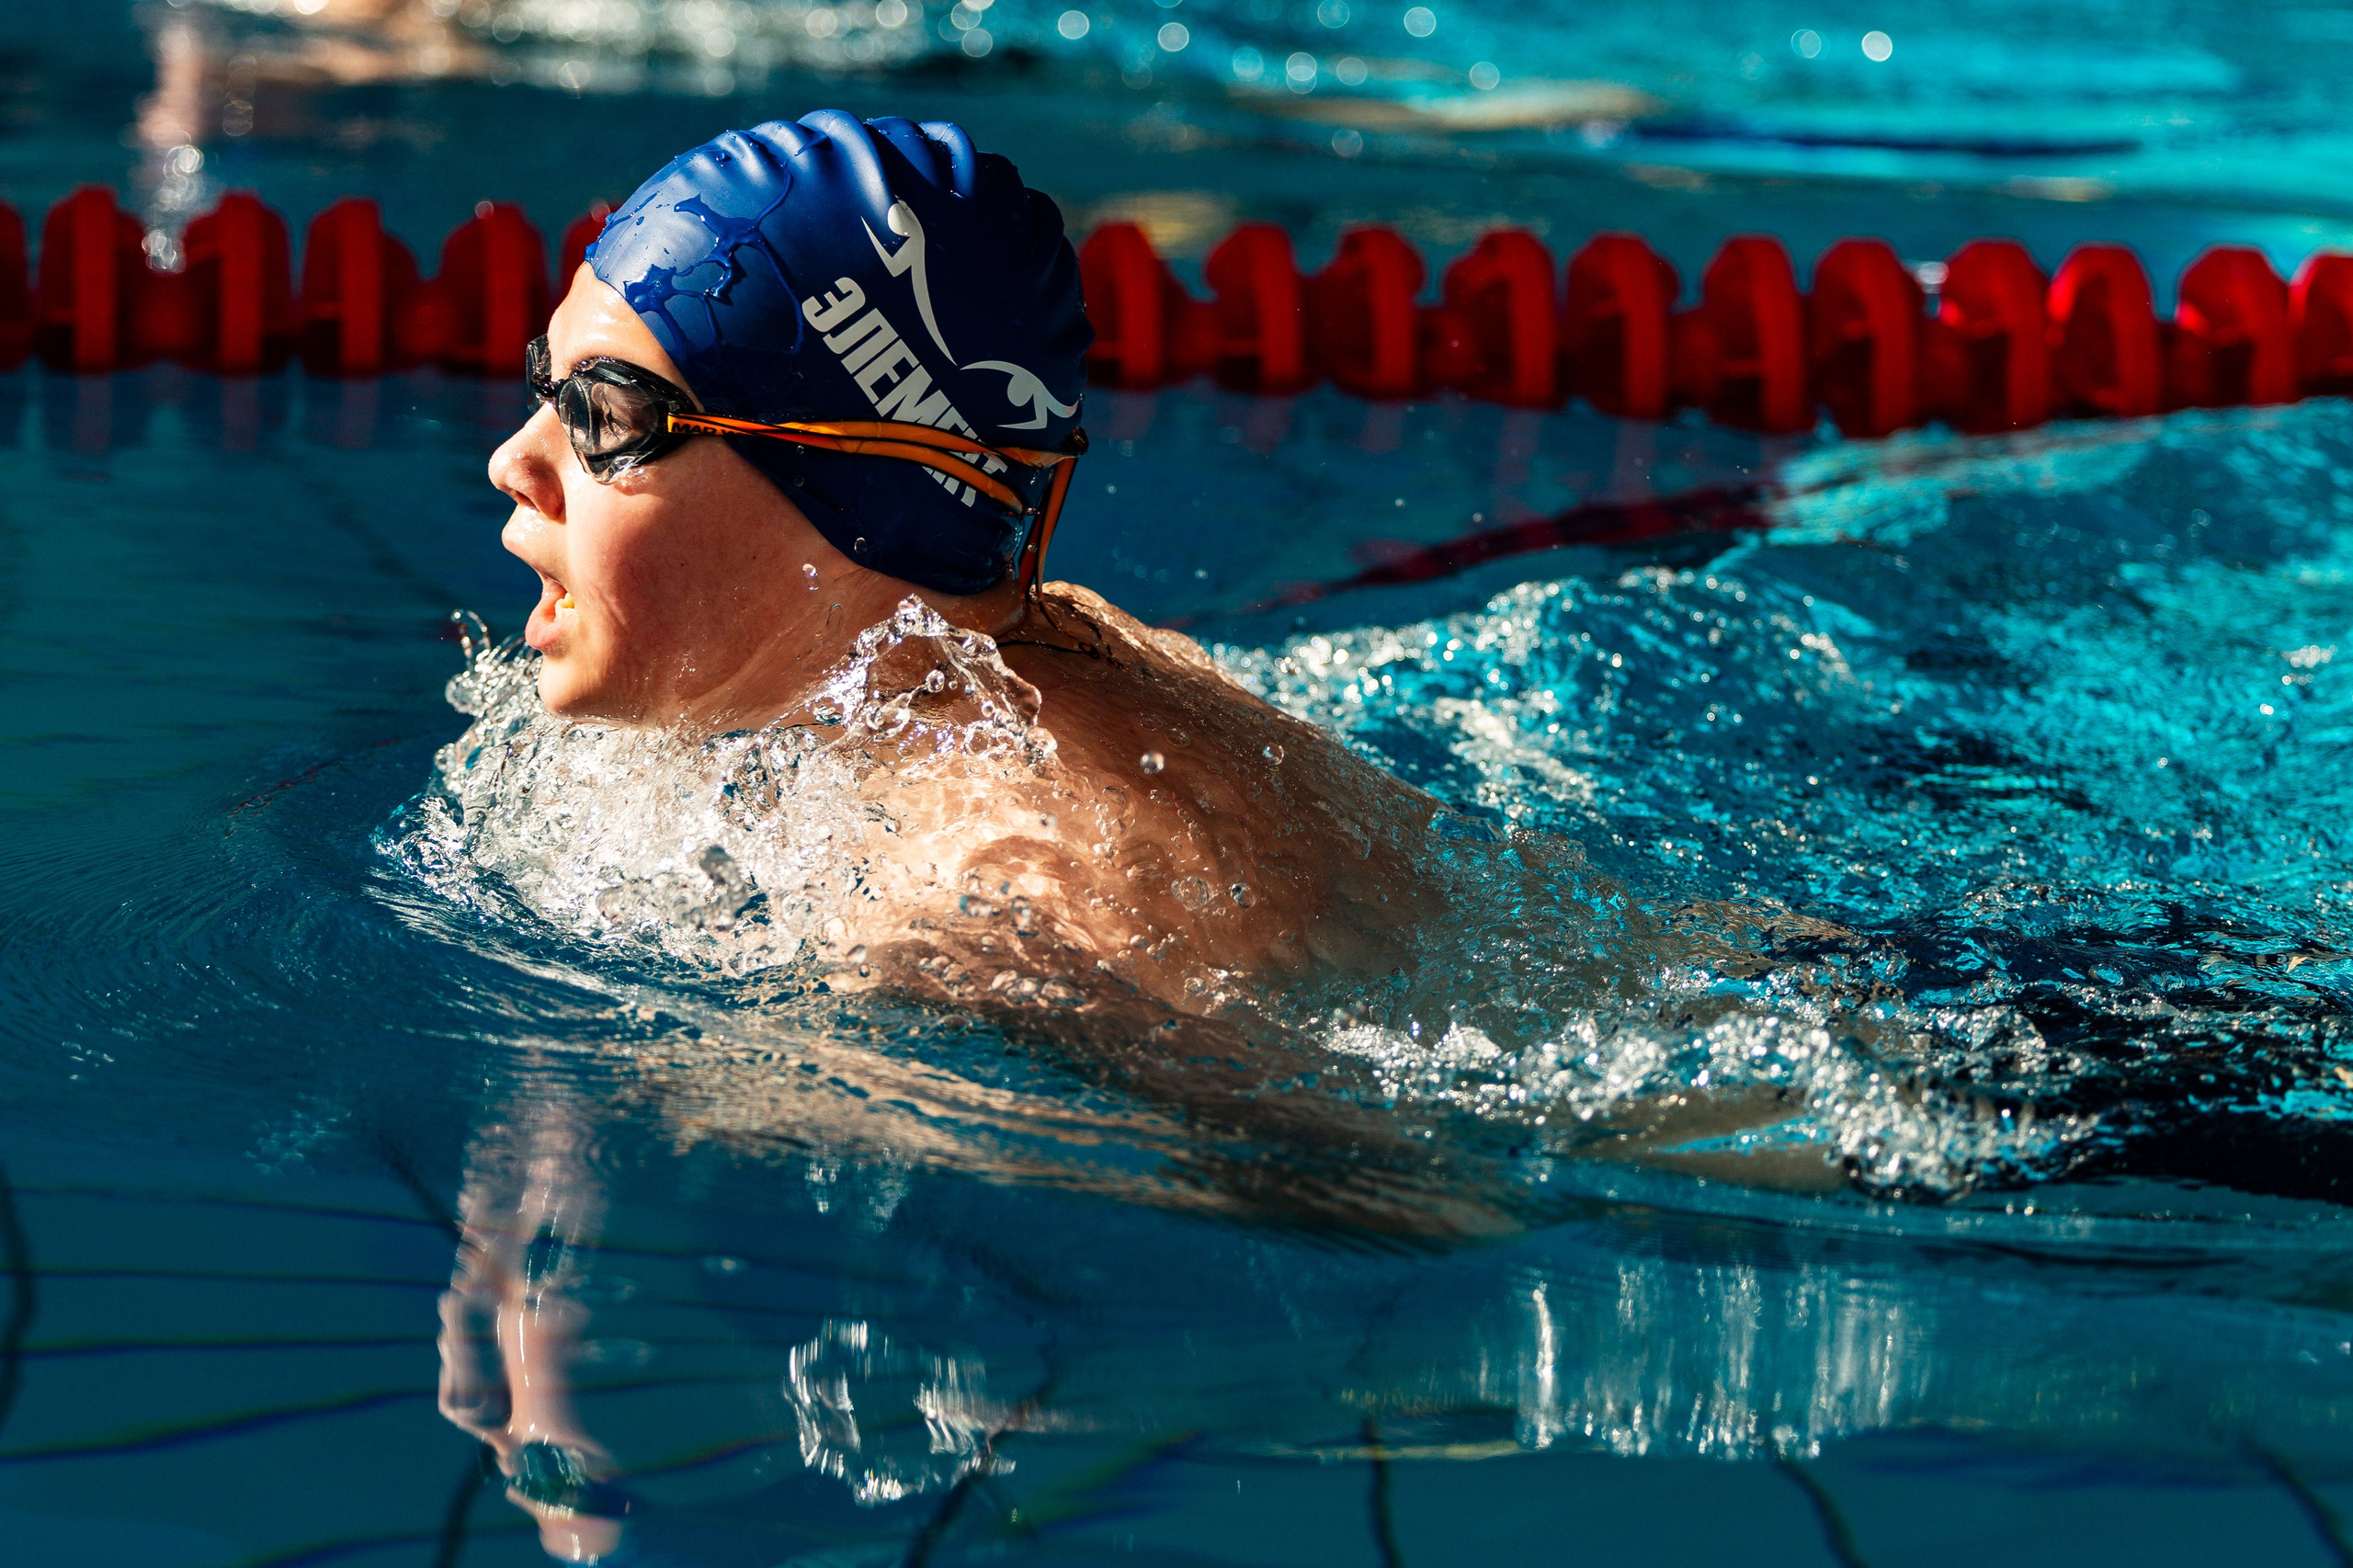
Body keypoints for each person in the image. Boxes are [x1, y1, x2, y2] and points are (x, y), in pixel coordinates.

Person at [488, 110, 1464, 1020]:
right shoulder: (1022, 651)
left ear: (856, 494)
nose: (514, 462)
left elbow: (1372, 1192)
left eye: (605, 418)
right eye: (547, 385)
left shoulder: (1021, 879)